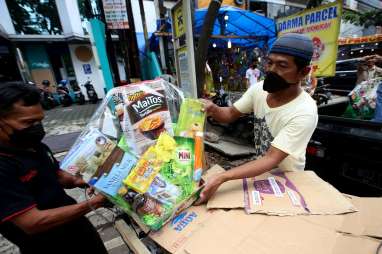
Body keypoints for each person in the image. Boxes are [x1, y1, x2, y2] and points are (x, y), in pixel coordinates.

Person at [197, 33, 318, 204]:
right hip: (262, 172)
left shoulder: (304, 111)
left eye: (282, 65)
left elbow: (271, 158)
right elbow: (231, 114)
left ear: (303, 72)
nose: (271, 70)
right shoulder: (259, 89)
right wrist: (213, 109)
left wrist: (221, 177)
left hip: (289, 179)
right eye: (270, 62)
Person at [0, 82, 108, 254]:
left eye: (40, 121)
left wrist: (81, 180)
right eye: (29, 123)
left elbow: (56, 174)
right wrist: (94, 203)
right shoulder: (4, 166)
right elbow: (33, 222)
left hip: (77, 229)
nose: (37, 128)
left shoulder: (34, 145)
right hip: (47, 245)